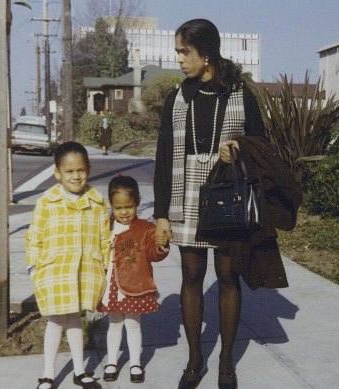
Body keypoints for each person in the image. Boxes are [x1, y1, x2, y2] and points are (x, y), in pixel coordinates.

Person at [153, 19, 268, 389]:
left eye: (185, 52)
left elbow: (262, 146)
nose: (180, 60)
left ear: (207, 53)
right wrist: (160, 215)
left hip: (226, 195)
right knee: (190, 276)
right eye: (178, 53)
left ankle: (226, 363)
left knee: (228, 277)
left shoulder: (240, 94)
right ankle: (194, 360)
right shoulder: (177, 97)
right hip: (184, 194)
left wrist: (237, 149)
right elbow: (163, 157)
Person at [26, 141, 110, 389]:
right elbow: (34, 236)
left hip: (85, 271)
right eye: (69, 171)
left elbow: (104, 238)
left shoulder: (96, 201)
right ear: (57, 173)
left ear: (89, 169)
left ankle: (79, 371)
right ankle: (48, 373)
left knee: (75, 318)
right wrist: (34, 268)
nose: (76, 176)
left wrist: (104, 267)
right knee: (55, 320)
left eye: (81, 170)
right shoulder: (47, 202)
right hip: (54, 270)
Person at [97, 175, 170, 384]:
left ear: (137, 202)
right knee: (114, 324)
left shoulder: (146, 229)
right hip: (110, 284)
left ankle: (135, 363)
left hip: (134, 285)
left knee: (133, 324)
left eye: (129, 206)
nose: (124, 212)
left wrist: (160, 244)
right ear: (111, 205)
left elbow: (154, 254)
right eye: (118, 208)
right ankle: (112, 361)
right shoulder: (105, 226)